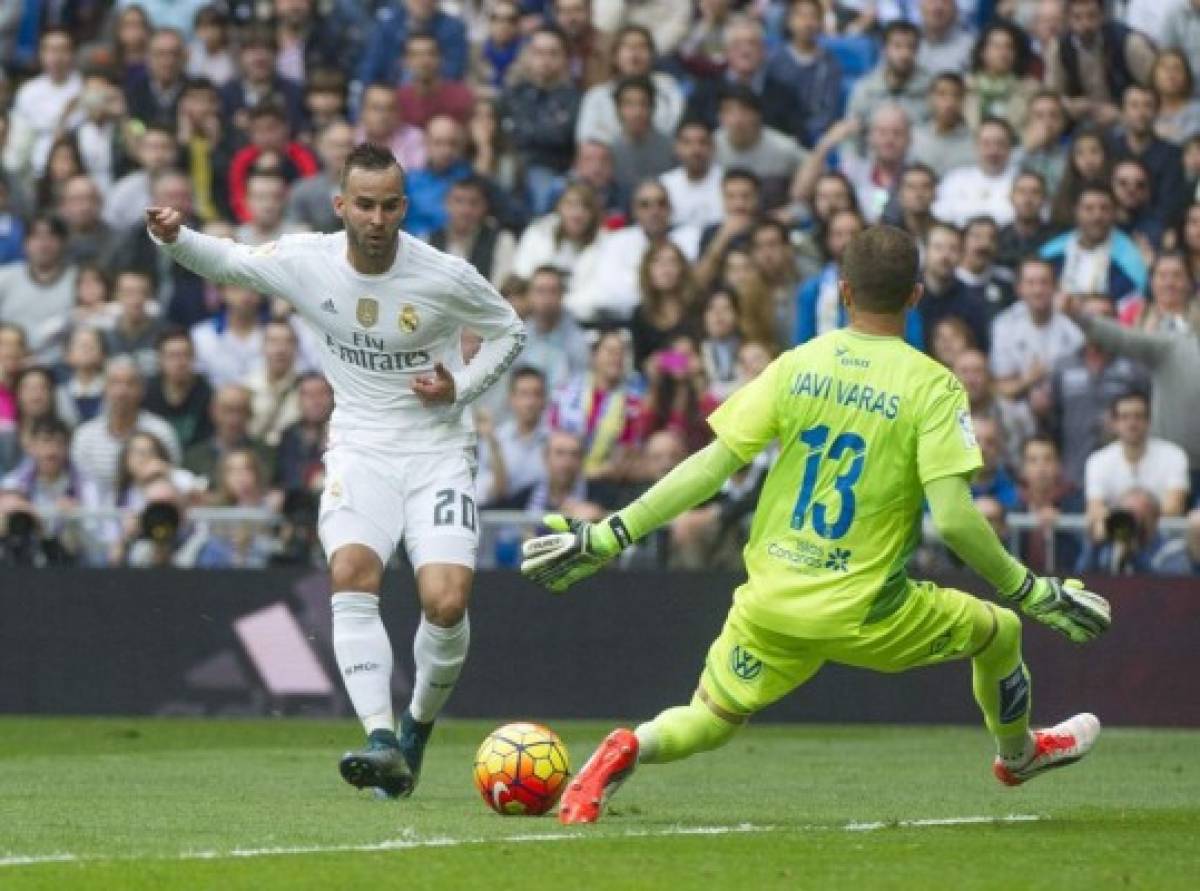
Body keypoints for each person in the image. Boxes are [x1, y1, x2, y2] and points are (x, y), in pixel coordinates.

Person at [520, 225, 1110, 825]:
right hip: (868, 610)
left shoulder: (797, 364)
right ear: (916, 295)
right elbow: (956, 521)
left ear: (845, 291)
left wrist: (608, 535)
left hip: (771, 600)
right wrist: (1033, 590)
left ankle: (629, 746)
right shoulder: (933, 385)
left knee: (706, 719)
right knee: (1000, 629)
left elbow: (711, 465)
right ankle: (1018, 755)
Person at [148, 141, 525, 799]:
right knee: (352, 572)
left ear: (403, 207)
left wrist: (459, 387)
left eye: (389, 206)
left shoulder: (443, 274)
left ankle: (416, 728)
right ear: (342, 204)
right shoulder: (307, 260)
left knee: (446, 599)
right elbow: (230, 261)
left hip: (438, 452)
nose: (377, 219)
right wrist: (177, 238)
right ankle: (380, 738)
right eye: (366, 205)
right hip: (359, 448)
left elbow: (509, 330)